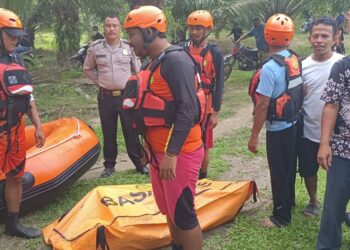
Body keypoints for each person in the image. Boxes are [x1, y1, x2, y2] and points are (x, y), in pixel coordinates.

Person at [124, 5, 204, 250]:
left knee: (182, 213)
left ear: (149, 32)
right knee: (169, 209)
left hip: (180, 153)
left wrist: (171, 154)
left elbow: (188, 110)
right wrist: (148, 147)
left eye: (132, 35)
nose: (129, 42)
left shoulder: (176, 61)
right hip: (159, 153)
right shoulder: (154, 62)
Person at [248, 14, 301, 227]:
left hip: (278, 129)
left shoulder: (270, 68)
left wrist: (254, 136)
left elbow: (262, 105)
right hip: (293, 123)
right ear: (290, 36)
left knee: (278, 171)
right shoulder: (293, 57)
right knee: (288, 166)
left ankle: (281, 217)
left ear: (266, 35)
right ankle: (290, 202)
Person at [84, 14, 149, 178]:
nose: (111, 29)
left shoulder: (129, 47)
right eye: (108, 25)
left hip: (126, 96)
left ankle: (139, 163)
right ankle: (109, 166)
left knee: (130, 130)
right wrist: (99, 82)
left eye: (114, 25)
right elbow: (87, 68)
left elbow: (139, 71)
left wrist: (136, 91)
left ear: (120, 28)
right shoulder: (96, 48)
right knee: (108, 132)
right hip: (106, 97)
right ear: (103, 27)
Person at [0, 8, 45, 238]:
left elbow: (27, 94)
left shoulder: (16, 58)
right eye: (10, 35)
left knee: (16, 176)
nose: (16, 40)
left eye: (18, 36)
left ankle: (12, 224)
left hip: (16, 128)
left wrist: (37, 125)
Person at [299, 17, 344, 217]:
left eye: (324, 36)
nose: (319, 40)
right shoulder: (301, 66)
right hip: (309, 129)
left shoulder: (343, 64)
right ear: (309, 38)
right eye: (315, 36)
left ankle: (339, 207)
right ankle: (313, 201)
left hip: (339, 134)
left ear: (335, 38)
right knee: (309, 170)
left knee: (340, 174)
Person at [182, 10, 224, 179]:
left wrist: (215, 112)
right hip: (185, 103)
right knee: (184, 141)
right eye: (192, 28)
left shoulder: (215, 52)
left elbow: (219, 82)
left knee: (204, 144)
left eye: (199, 28)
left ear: (207, 30)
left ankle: (202, 176)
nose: (194, 32)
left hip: (206, 106)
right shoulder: (181, 49)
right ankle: (186, 174)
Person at [316, 55, 350, 250]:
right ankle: (327, 246)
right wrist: (324, 143)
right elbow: (331, 105)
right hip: (343, 149)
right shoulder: (343, 67)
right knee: (333, 205)